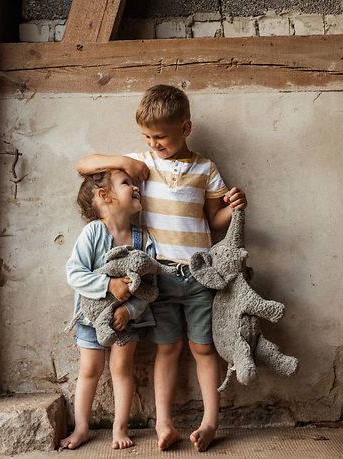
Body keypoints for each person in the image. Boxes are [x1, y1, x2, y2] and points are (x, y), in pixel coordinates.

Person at [77, 84, 247, 452]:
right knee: (166, 349)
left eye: (161, 137)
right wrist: (124, 163)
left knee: (204, 349)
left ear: (185, 128)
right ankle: (164, 424)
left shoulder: (206, 168)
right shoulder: (142, 165)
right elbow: (84, 165)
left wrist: (232, 207)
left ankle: (210, 422)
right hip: (159, 277)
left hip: (200, 274)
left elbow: (214, 220)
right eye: (148, 137)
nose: (154, 144)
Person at [61, 169, 155, 450]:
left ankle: (120, 427)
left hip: (127, 320)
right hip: (91, 318)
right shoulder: (93, 232)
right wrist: (108, 285)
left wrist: (130, 311)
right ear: (104, 196)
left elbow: (150, 287)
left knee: (121, 368)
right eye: (126, 183)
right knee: (90, 368)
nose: (135, 187)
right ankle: (81, 428)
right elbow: (74, 273)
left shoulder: (142, 239)